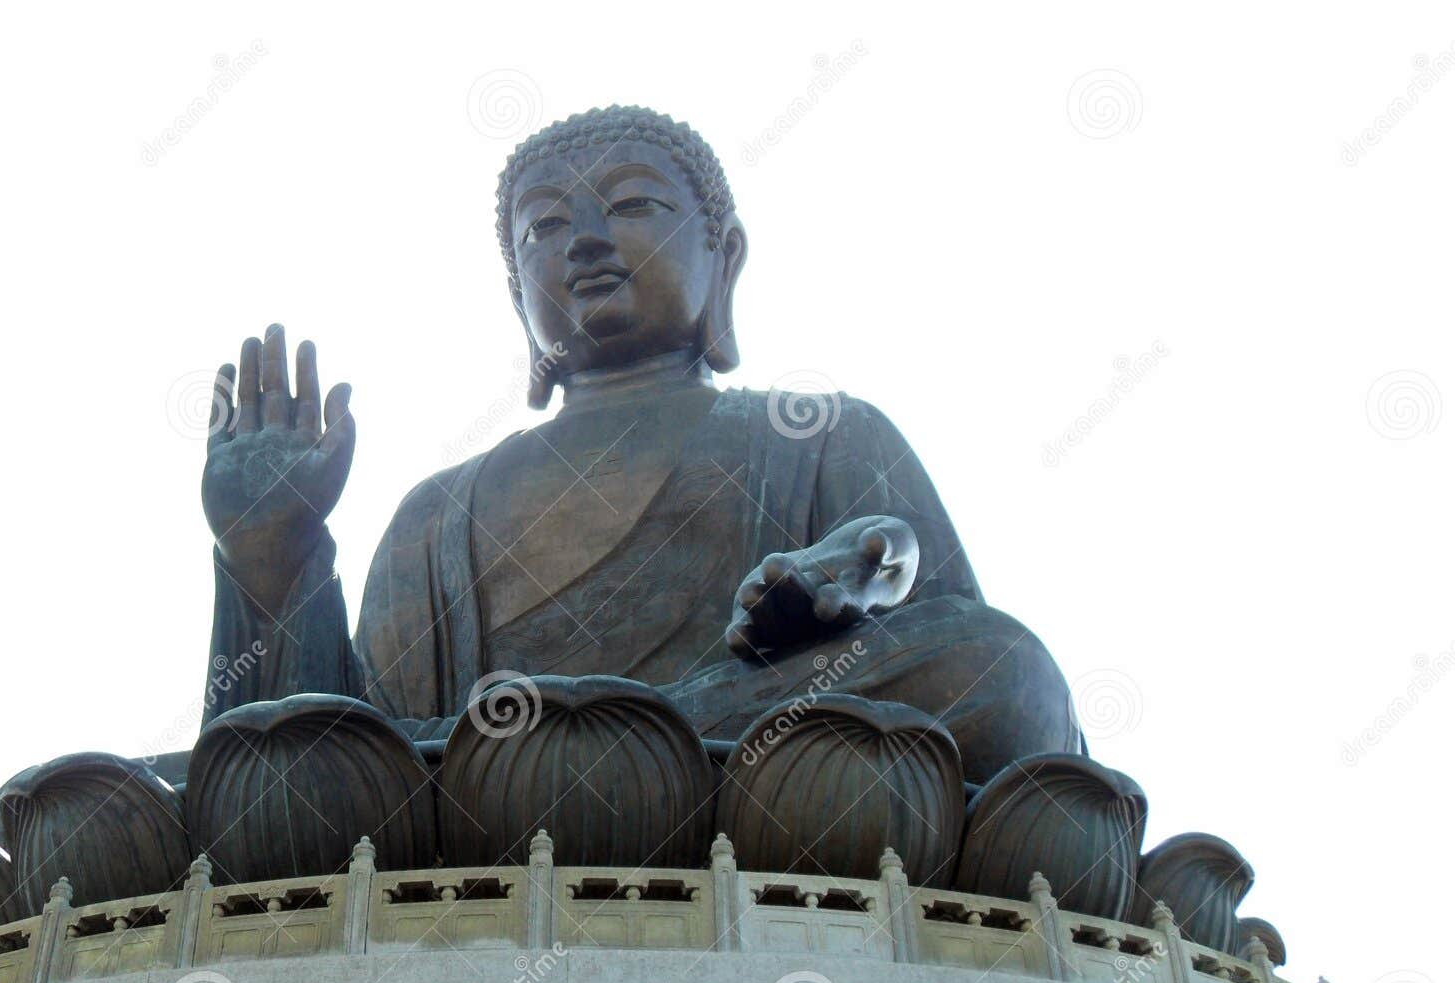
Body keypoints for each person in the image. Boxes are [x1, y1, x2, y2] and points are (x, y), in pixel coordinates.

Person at [198, 106, 1082, 787]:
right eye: (543, 227)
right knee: (280, 774)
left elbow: (939, 612)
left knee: (1007, 671)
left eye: (630, 204)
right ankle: (625, 748)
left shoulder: (816, 433)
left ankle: (611, 749)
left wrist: (852, 573)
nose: (583, 238)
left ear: (723, 258)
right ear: (519, 297)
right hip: (532, 795)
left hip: (692, 776)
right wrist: (270, 550)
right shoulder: (440, 512)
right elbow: (334, 749)